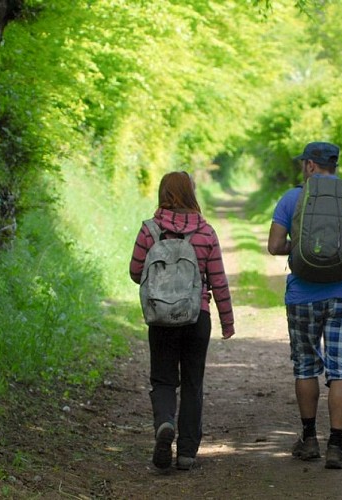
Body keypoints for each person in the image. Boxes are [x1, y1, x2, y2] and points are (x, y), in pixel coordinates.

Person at [267, 142, 342, 469]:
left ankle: (308, 439)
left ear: (309, 166)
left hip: (302, 295)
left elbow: (275, 245)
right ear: (334, 165)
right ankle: (336, 446)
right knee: (341, 370)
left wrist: (302, 245)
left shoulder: (293, 198)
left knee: (305, 366)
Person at [130, 171, 235, 471]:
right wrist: (227, 321)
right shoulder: (206, 232)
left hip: (161, 317)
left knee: (163, 379)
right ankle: (187, 452)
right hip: (196, 316)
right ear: (192, 193)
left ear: (163, 193)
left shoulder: (149, 231)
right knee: (193, 383)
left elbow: (136, 271)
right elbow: (219, 281)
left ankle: (165, 423)